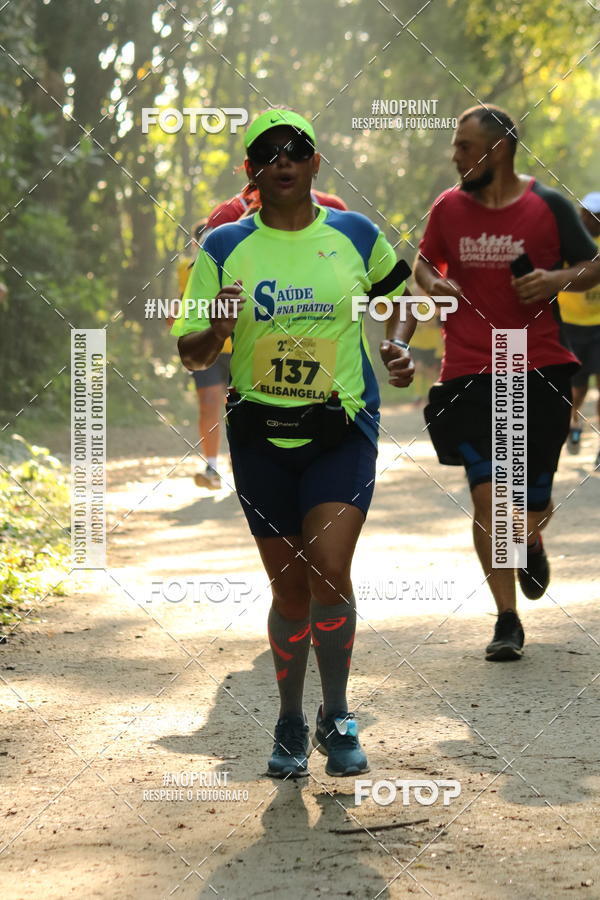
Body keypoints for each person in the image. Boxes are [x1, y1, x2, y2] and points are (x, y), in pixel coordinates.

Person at [172, 108, 415, 777]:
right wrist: (216, 328)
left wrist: (395, 347)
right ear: (251, 172)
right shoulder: (222, 248)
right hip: (259, 433)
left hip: (342, 429)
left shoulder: (355, 234)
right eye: (268, 152)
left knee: (329, 569)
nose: (283, 160)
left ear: (314, 164)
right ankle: (287, 718)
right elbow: (192, 354)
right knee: (290, 591)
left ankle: (336, 714)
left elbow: (401, 294)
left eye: (297, 149)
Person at [414, 105, 600, 662]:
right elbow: (424, 263)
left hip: (536, 361)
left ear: (499, 150)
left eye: (466, 146)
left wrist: (556, 278)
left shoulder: (549, 207)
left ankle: (532, 535)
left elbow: (594, 264)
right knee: (490, 498)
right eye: (456, 145)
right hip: (470, 366)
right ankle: (506, 619)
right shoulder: (448, 208)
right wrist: (436, 287)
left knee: (528, 501)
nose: (456, 156)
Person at [174, 219, 232, 489]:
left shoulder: (242, 257)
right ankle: (211, 467)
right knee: (209, 403)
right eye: (201, 239)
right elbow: (183, 304)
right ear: (195, 243)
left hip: (242, 346)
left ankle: (244, 461)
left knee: (242, 408)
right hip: (206, 346)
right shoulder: (186, 269)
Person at [557, 192, 600, 466]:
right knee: (578, 390)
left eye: (595, 216)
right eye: (585, 213)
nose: (589, 219)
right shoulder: (566, 243)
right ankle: (574, 423)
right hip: (572, 326)